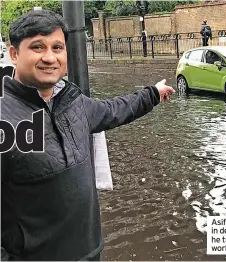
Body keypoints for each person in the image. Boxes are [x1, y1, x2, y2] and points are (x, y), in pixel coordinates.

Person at [1, 9, 175, 261]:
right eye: (38, 47)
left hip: (90, 253)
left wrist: (153, 94)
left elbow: (114, 110)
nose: (50, 57)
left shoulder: (73, 102)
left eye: (57, 48)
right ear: (14, 54)